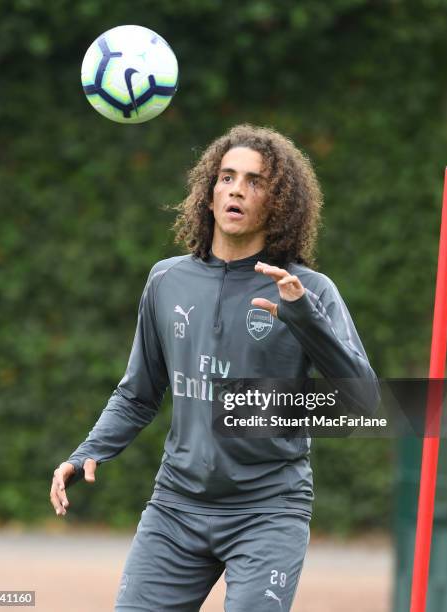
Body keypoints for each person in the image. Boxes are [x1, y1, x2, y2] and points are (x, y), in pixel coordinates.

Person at [50, 124, 379, 611]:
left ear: (279, 202)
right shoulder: (166, 280)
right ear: (209, 194)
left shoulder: (308, 289)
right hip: (177, 506)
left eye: (255, 181)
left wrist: (304, 317)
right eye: (227, 177)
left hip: (268, 511)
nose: (237, 190)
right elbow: (139, 393)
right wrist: (89, 451)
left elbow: (364, 403)